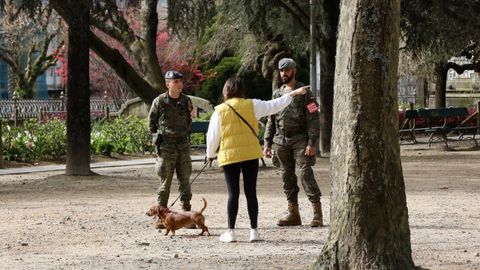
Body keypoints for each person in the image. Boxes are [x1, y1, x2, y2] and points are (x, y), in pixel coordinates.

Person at [206, 77, 308, 243]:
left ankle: (230, 231)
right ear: (242, 90)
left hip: (229, 155)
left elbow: (213, 136)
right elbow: (274, 105)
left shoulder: (219, 110)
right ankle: (254, 231)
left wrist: (210, 154)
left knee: (233, 193)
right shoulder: (252, 105)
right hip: (250, 154)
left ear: (226, 91)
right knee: (250, 192)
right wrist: (294, 93)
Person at [263, 58, 323, 227]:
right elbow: (271, 119)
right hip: (281, 140)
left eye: (287, 70)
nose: (284, 73)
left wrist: (312, 142)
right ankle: (293, 213)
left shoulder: (305, 92)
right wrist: (267, 143)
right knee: (286, 176)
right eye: (282, 71)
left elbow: (313, 117)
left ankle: (317, 213)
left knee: (305, 173)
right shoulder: (277, 93)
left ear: (294, 71)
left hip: (300, 139)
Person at [148, 70, 195, 228]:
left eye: (181, 81)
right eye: (175, 82)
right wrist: (158, 139)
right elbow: (151, 123)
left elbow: (189, 121)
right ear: (168, 84)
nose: (179, 84)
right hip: (166, 147)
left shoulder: (186, 101)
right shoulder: (159, 101)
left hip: (182, 146)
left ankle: (187, 215)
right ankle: (162, 217)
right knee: (165, 182)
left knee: (185, 180)